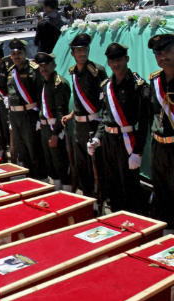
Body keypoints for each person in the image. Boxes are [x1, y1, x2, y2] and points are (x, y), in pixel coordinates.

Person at [90, 43, 150, 213]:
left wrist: (138, 152)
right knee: (112, 184)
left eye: (119, 60)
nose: (116, 64)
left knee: (129, 187)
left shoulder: (138, 85)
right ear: (108, 63)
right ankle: (116, 218)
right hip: (109, 142)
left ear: (127, 59)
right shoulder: (106, 86)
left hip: (127, 143)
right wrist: (97, 137)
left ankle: (134, 220)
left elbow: (144, 122)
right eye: (112, 61)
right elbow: (105, 117)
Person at [62, 33, 107, 207]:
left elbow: (105, 100)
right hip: (78, 126)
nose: (82, 53)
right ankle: (88, 199)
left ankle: (100, 201)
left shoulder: (97, 71)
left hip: (93, 124)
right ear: (73, 53)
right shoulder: (73, 72)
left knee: (96, 165)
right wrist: (71, 114)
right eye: (78, 51)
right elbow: (79, 99)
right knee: (81, 166)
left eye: (84, 50)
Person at [7, 39, 47, 180]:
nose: (16, 56)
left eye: (19, 53)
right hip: (15, 116)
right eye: (13, 54)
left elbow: (41, 95)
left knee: (33, 149)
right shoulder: (11, 71)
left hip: (29, 115)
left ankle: (40, 178)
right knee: (21, 150)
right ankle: (28, 178)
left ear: (24, 53)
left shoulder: (33, 70)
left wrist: (40, 117)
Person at [148, 33, 174, 234]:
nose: (162, 57)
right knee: (162, 193)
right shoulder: (155, 81)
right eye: (158, 53)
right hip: (159, 147)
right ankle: (167, 237)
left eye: (166, 51)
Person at [36, 52, 72, 191]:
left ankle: (67, 191)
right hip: (46, 127)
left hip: (56, 128)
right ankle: (57, 190)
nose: (43, 69)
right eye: (41, 66)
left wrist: (56, 134)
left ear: (54, 65)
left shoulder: (59, 83)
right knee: (51, 161)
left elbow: (61, 112)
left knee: (61, 161)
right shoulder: (44, 82)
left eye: (46, 65)